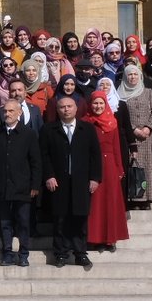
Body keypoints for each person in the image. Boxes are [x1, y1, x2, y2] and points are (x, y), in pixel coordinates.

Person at [41, 94, 102, 269]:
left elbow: (95, 155)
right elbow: (43, 156)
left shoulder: (87, 129)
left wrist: (95, 178)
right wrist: (49, 175)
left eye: (69, 106)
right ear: (57, 109)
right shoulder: (48, 130)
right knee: (60, 219)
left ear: (76, 109)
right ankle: (61, 254)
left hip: (81, 182)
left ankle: (80, 254)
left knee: (80, 219)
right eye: (62, 107)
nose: (66, 110)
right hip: (58, 182)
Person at [0, 99, 41, 266]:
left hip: (23, 187)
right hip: (1, 185)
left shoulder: (29, 134)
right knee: (5, 222)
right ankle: (7, 252)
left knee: (23, 222)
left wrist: (35, 185)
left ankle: (23, 253)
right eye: (5, 111)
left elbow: (36, 162)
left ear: (19, 113)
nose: (7, 114)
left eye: (11, 111)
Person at [83, 93, 130, 251]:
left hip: (109, 166)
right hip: (92, 165)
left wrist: (119, 168)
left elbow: (116, 147)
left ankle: (109, 239)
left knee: (110, 202)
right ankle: (94, 238)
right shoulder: (85, 122)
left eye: (101, 103)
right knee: (95, 203)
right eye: (95, 103)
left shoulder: (113, 122)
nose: (98, 106)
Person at [116, 62, 152, 209]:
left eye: (135, 74)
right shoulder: (119, 93)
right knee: (132, 167)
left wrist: (148, 127)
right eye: (129, 74)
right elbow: (120, 115)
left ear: (140, 75)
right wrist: (134, 129)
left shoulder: (147, 91)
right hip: (131, 137)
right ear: (125, 76)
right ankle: (133, 199)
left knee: (146, 168)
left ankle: (146, 198)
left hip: (146, 137)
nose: (133, 77)